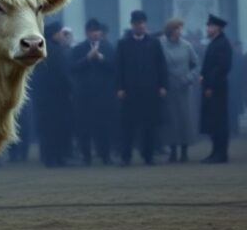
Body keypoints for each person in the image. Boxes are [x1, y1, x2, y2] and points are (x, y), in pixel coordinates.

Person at [115, 10, 167, 166]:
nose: (140, 26)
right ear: (132, 25)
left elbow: (161, 66)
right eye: (137, 23)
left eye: (142, 23)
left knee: (149, 126)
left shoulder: (153, 43)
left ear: (146, 24)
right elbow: (119, 67)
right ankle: (126, 157)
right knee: (128, 127)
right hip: (129, 91)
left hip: (150, 91)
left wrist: (163, 85)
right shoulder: (123, 44)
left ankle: (148, 156)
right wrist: (120, 88)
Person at [69, 19, 117, 165]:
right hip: (84, 95)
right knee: (84, 127)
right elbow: (72, 68)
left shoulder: (108, 48)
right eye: (92, 31)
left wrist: (101, 58)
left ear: (100, 32)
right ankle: (86, 156)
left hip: (104, 94)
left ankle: (105, 155)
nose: (95, 34)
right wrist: (87, 59)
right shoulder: (78, 49)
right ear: (87, 33)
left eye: (97, 31)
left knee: (104, 126)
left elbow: (115, 67)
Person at [159, 18, 200, 162]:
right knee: (171, 121)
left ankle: (184, 150)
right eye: (177, 29)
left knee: (185, 120)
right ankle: (172, 150)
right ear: (170, 30)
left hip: (185, 88)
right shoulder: (161, 45)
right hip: (169, 88)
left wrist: (189, 77)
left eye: (181, 29)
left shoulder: (187, 46)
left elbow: (196, 65)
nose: (180, 31)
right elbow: (157, 65)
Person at [32, 22, 72, 167]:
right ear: (55, 34)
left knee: (48, 128)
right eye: (61, 32)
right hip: (55, 97)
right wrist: (70, 89)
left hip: (45, 97)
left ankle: (51, 157)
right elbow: (61, 75)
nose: (63, 35)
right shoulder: (55, 51)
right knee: (55, 128)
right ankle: (56, 158)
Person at [200, 14, 233, 163]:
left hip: (217, 88)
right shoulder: (215, 43)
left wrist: (210, 85)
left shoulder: (222, 44)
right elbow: (207, 66)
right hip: (211, 87)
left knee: (219, 122)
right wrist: (202, 76)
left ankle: (221, 153)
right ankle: (215, 152)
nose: (207, 29)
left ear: (217, 28)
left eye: (210, 26)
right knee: (213, 122)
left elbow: (220, 68)